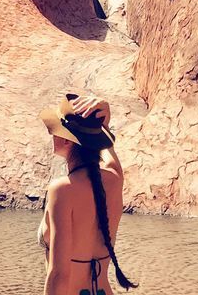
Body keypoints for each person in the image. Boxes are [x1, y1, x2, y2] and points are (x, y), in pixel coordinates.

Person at [37, 93, 137, 295]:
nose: (52, 134)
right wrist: (103, 125)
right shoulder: (115, 179)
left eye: (56, 130)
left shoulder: (62, 190)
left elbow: (59, 275)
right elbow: (108, 152)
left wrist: (102, 125)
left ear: (68, 140)